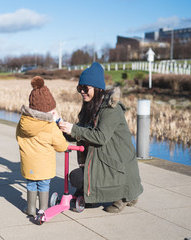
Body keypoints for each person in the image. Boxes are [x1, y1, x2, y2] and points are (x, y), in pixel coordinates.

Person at [58, 62, 143, 213]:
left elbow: (100, 137)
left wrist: (73, 129)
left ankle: (124, 195)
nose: (82, 92)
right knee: (75, 177)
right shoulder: (91, 107)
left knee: (78, 178)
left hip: (116, 164)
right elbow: (81, 132)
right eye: (80, 88)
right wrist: (61, 127)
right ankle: (97, 194)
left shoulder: (111, 109)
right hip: (101, 160)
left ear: (97, 89)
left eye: (86, 88)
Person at [16, 76, 68, 217]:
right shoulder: (50, 126)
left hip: (29, 164)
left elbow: (18, 137)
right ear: (47, 110)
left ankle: (30, 209)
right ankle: (43, 210)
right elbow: (61, 146)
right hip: (44, 166)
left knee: (31, 184)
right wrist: (57, 121)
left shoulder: (23, 122)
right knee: (44, 185)